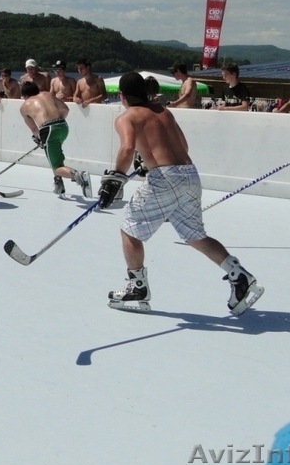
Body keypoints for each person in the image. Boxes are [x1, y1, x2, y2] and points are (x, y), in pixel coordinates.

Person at [98, 72, 263, 315]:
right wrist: (148, 160)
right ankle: (239, 275)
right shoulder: (164, 112)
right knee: (194, 235)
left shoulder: (127, 117)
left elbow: (127, 147)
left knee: (130, 228)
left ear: (121, 95)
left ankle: (138, 287)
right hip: (189, 174)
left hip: (165, 180)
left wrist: (116, 178)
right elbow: (183, 147)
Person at [19, 82, 92, 197]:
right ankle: (59, 185)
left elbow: (34, 129)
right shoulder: (47, 94)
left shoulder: (24, 106)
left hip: (48, 130)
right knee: (55, 158)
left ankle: (78, 175)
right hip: (63, 127)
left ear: (25, 95)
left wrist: (39, 138)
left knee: (57, 167)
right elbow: (65, 109)